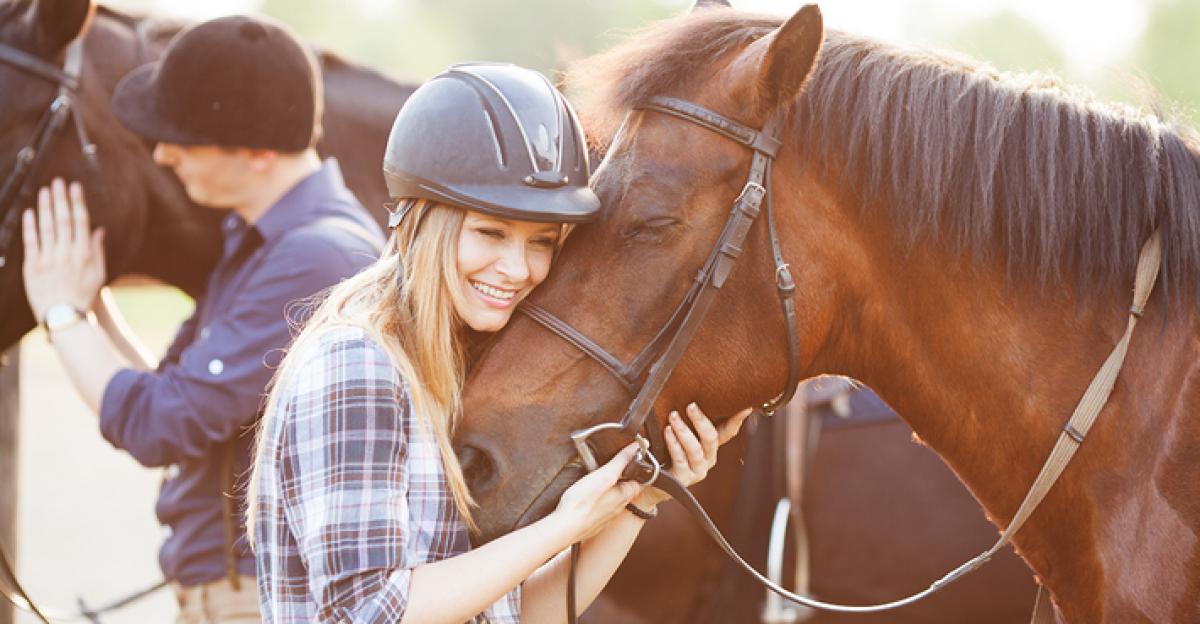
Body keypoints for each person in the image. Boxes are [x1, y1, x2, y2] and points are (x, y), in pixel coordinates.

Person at [247, 62, 751, 623]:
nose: (518, 269)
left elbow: (526, 616)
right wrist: (564, 527)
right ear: (423, 221)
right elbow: (367, 613)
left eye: (541, 242)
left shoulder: (457, 361)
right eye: (490, 232)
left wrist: (640, 501)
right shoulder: (359, 363)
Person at [19, 15, 383, 623]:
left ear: (259, 152)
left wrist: (60, 314)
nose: (162, 154)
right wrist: (87, 306)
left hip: (254, 602)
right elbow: (174, 396)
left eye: (182, 138)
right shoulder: (263, 241)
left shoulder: (313, 258)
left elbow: (161, 425)